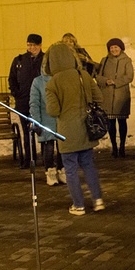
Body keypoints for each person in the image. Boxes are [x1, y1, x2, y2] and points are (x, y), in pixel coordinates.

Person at [45, 42, 105, 215]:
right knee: (88, 166)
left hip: (66, 132)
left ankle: (78, 205)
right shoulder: (83, 75)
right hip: (86, 129)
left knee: (70, 170)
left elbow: (53, 110)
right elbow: (98, 97)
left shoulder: (52, 83)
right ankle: (98, 200)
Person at [8, 34, 44, 168]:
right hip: (23, 102)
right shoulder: (19, 60)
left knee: (42, 130)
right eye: (29, 45)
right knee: (26, 131)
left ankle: (46, 157)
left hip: (41, 103)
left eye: (34, 45)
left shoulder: (45, 60)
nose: (31, 48)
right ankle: (30, 158)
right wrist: (16, 93)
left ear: (40, 45)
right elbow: (12, 78)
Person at [96, 38, 135, 158]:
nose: (114, 49)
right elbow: (98, 76)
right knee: (110, 123)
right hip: (107, 95)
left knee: (122, 122)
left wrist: (116, 81)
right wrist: (105, 81)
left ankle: (122, 146)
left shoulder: (126, 60)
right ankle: (114, 147)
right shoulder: (105, 60)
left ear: (121, 48)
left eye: (116, 47)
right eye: (111, 47)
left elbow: (129, 76)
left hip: (121, 96)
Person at [29, 60, 66, 187]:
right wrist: (37, 121)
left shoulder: (60, 79)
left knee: (62, 146)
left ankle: (62, 170)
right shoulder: (38, 82)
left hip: (60, 119)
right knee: (48, 147)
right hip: (45, 119)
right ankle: (50, 171)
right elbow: (34, 102)